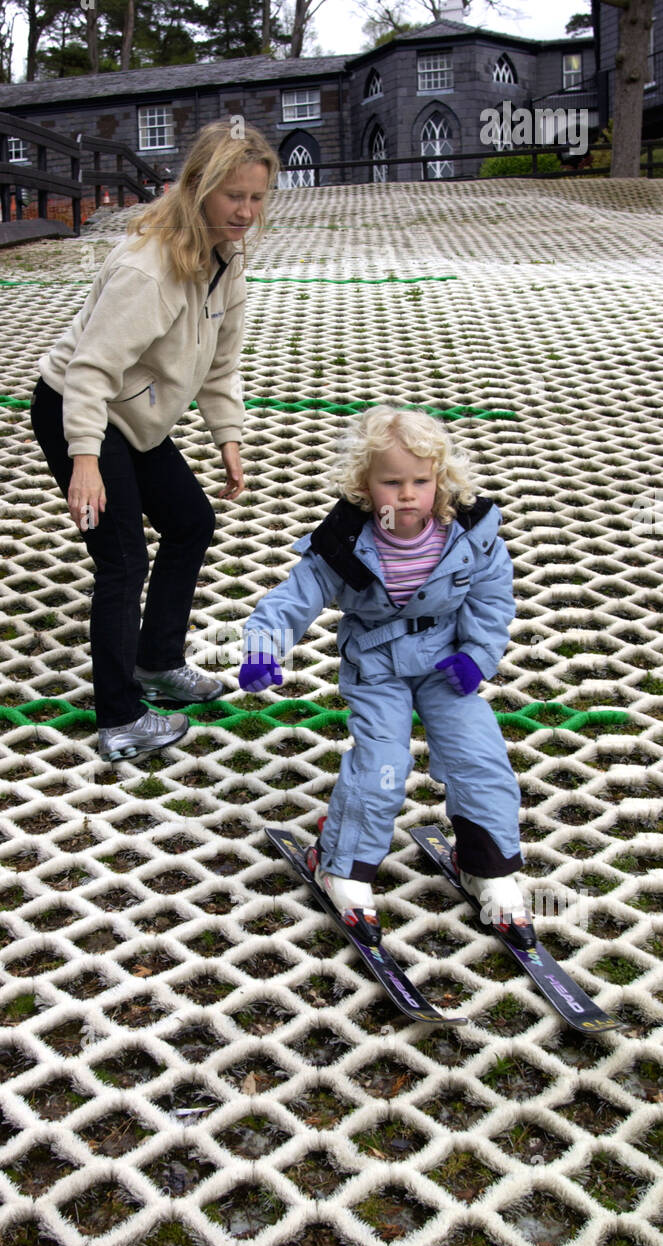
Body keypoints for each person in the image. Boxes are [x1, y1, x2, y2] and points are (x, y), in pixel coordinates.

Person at [31, 120, 280, 762]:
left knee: (192, 520)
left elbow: (221, 361)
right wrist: (84, 460)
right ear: (198, 189)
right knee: (122, 560)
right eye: (233, 197)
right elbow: (89, 371)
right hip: (80, 410)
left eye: (256, 198)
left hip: (134, 417)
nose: (246, 212)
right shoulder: (149, 273)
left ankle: (156, 662)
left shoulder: (228, 258)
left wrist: (228, 435)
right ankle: (118, 719)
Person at [239, 406, 528, 938]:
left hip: (448, 664)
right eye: (391, 482)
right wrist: (263, 649)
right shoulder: (345, 543)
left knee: (479, 754)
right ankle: (343, 866)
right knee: (383, 765)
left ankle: (489, 865)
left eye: (421, 480)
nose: (407, 494)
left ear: (440, 478)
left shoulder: (469, 531)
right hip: (378, 667)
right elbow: (292, 600)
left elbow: (492, 599)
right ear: (364, 485)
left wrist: (477, 656)